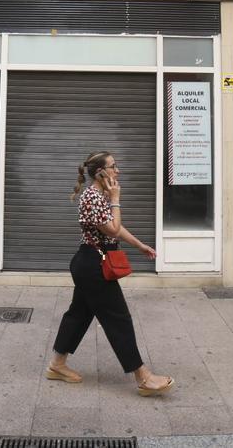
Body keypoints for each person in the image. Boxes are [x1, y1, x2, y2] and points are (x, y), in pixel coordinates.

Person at [46, 151, 175, 396]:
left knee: (79, 315)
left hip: (91, 262)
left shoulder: (99, 195)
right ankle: (143, 376)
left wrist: (139, 245)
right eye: (113, 166)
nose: (118, 171)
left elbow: (115, 229)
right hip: (93, 265)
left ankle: (57, 364)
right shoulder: (94, 196)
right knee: (119, 318)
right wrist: (116, 198)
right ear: (100, 172)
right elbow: (113, 229)